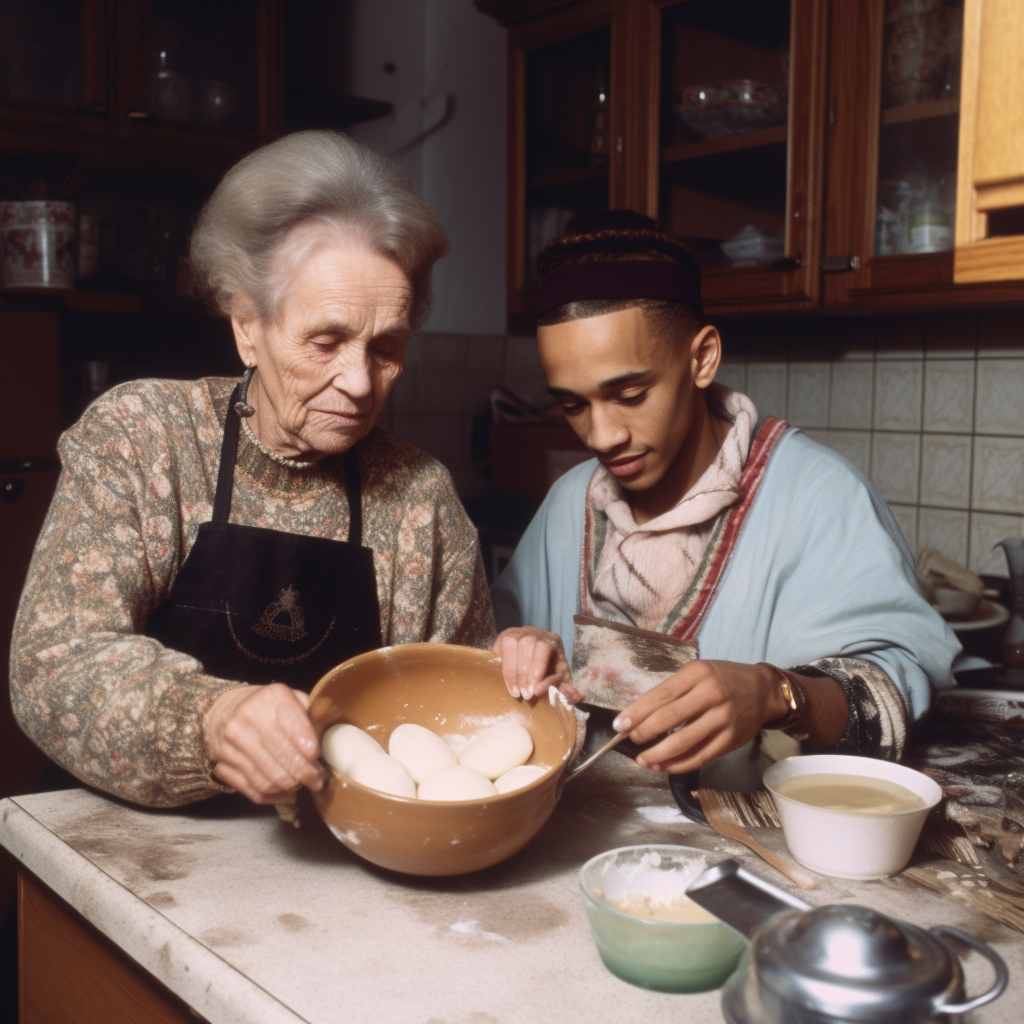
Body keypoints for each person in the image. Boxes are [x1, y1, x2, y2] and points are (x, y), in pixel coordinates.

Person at [10, 132, 493, 809]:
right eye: (325, 341)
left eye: (386, 347)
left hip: (333, 861)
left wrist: (516, 672)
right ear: (247, 327)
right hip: (129, 854)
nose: (358, 383)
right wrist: (210, 721)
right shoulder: (146, 438)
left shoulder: (422, 498)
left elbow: (459, 721)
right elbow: (54, 664)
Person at [492, 210, 958, 791]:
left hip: (764, 852)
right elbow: (500, 668)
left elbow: (894, 694)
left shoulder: (819, 496)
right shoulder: (570, 503)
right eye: (572, 405)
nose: (601, 435)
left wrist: (774, 692)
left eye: (630, 394)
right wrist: (518, 654)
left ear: (702, 358)